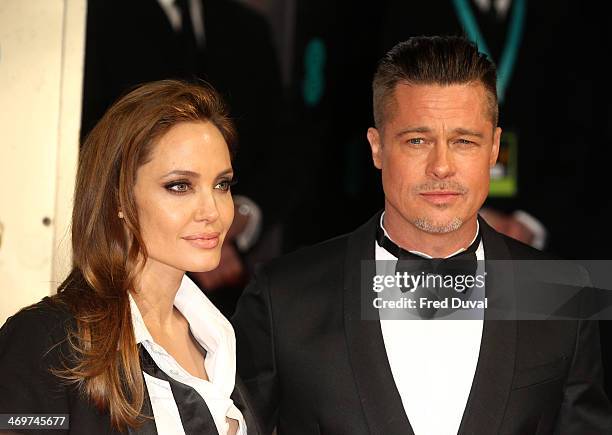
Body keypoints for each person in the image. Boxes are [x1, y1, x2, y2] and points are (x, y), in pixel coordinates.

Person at [231, 36, 612, 434]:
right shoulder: (282, 298)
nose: (441, 166)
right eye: (417, 140)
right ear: (377, 148)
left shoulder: (565, 293)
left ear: (495, 148)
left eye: (464, 141)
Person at [0, 80, 261, 434]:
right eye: (180, 186)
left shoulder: (218, 340)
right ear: (119, 198)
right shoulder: (47, 340)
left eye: (221, 184)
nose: (212, 210)